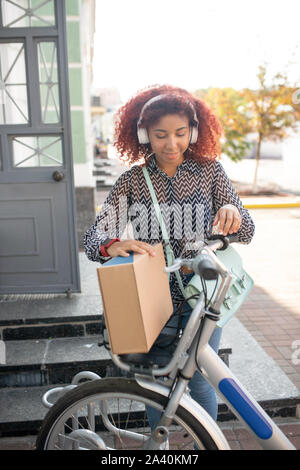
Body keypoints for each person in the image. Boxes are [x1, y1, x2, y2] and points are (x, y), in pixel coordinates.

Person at [84, 84, 255, 427]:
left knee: (202, 378)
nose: (171, 144)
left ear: (193, 131)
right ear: (144, 134)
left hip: (203, 296)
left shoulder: (211, 172)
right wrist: (111, 245)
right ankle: (159, 445)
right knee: (154, 384)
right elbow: (93, 237)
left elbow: (247, 230)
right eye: (160, 135)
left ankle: (205, 441)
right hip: (153, 299)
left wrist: (230, 212)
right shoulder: (133, 181)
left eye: (180, 133)